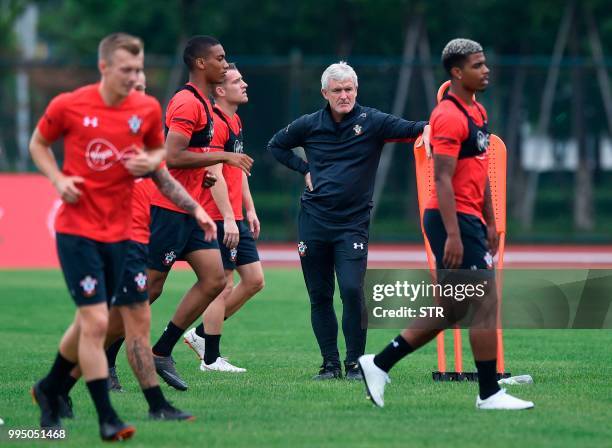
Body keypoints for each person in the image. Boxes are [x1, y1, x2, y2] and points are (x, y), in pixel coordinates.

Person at [358, 38, 534, 410]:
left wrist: (490, 220)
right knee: (484, 302)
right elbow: (441, 179)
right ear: (457, 72)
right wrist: (455, 234)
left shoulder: (478, 113)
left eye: (485, 63)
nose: (486, 70)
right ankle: (489, 393)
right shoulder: (448, 116)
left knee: (452, 308)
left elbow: (481, 171)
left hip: (470, 218)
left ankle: (379, 363)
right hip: (450, 219)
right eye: (477, 64)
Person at [55, 70, 216, 422]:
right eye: (133, 87)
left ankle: (149, 402)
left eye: (145, 88)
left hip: (142, 231)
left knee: (130, 319)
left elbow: (164, 175)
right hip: (109, 237)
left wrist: (196, 206)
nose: (142, 95)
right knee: (105, 321)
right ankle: (62, 388)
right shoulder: (97, 128)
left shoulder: (144, 130)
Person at [28, 33, 164, 441]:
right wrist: (56, 177)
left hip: (121, 233)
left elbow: (159, 151)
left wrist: (149, 160)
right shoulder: (69, 104)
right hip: (77, 232)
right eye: (126, 70)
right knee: (97, 321)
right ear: (104, 67)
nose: (134, 77)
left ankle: (50, 388)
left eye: (138, 70)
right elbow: (38, 143)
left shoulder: (147, 108)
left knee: (87, 321)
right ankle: (107, 417)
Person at [268, 61, 430, 380]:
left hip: (351, 225)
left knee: (354, 290)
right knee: (319, 295)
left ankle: (355, 362)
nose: (344, 95)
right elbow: (276, 146)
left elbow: (415, 127)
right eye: (338, 90)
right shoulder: (309, 124)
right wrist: (304, 170)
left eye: (349, 89)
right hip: (313, 221)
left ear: (357, 90)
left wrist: (439, 125)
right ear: (325, 93)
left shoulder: (373, 121)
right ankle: (329, 365)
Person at [146, 35, 253, 391]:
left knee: (215, 280)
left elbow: (192, 158)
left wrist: (206, 174)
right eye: (221, 59)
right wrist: (222, 158)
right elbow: (172, 155)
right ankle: (106, 354)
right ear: (201, 64)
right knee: (150, 288)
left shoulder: (207, 105)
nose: (226, 64)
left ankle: (162, 350)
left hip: (192, 210)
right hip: (167, 208)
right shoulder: (186, 102)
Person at [183, 64, 264, 373]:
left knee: (254, 280)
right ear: (219, 90)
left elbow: (237, 170)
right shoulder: (214, 123)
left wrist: (250, 209)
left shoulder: (235, 120)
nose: (244, 84)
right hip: (218, 216)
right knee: (223, 284)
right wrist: (228, 218)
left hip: (235, 215)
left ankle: (202, 334)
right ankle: (211, 359)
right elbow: (213, 172)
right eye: (236, 80)